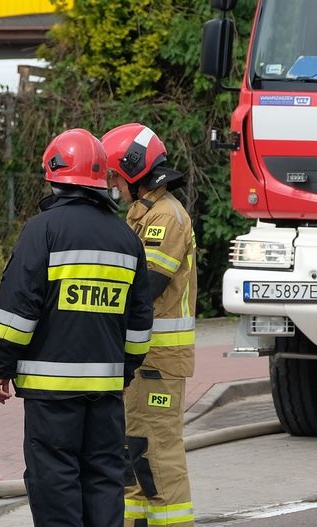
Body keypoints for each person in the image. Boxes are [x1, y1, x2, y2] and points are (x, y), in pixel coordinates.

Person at [0, 128, 154, 527]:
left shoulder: (42, 231)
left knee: (55, 479)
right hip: (106, 392)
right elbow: (140, 321)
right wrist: (125, 370)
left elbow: (18, 308)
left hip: (51, 395)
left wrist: (0, 366)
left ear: (55, 175)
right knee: (104, 478)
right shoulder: (127, 239)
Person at [102, 123, 197, 527]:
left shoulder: (167, 217)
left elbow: (146, 285)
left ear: (134, 170)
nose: (112, 184)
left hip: (160, 361)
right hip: (143, 358)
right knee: (133, 456)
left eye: (115, 175)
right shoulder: (141, 213)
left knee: (158, 456)